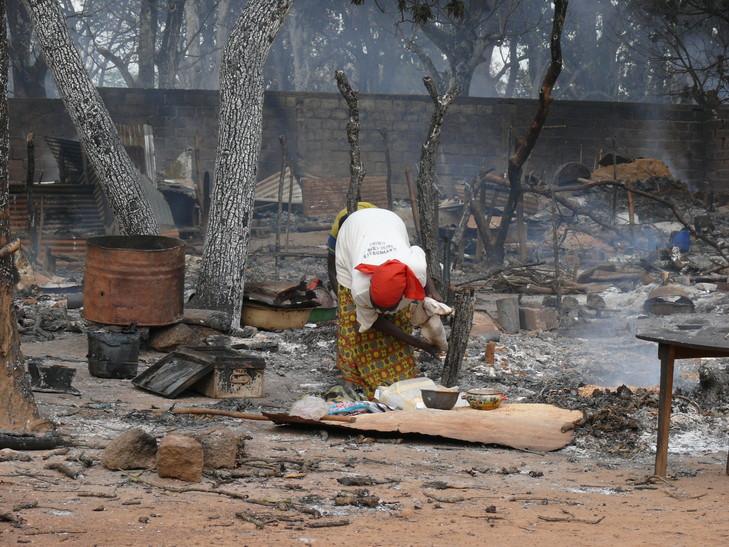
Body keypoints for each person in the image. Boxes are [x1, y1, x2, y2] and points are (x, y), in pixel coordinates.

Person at [334, 207, 441, 397]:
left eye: (389, 308)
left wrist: (431, 292)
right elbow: (374, 322)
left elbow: (420, 261)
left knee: (399, 319)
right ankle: (353, 378)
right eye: (379, 307)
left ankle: (399, 371)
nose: (384, 312)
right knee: (353, 322)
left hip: (390, 223)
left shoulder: (413, 268)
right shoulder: (359, 288)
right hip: (353, 233)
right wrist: (419, 343)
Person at [327, 202, 376, 294]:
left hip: (372, 219)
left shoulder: (372, 232)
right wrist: (340, 297)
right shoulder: (334, 238)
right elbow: (332, 270)